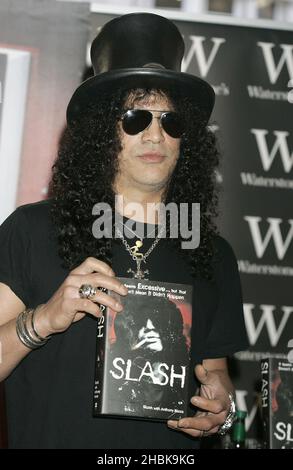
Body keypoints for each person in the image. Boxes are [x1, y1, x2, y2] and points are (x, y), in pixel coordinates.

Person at [0, 13, 248, 449]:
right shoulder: (34, 229)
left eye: (170, 121)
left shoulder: (213, 254)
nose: (154, 134)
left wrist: (221, 410)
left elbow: (216, 376)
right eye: (135, 117)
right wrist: (43, 319)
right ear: (102, 130)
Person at [108, 295, 190, 417]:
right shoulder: (115, 380)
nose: (150, 328)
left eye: (157, 321)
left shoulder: (183, 380)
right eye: (141, 322)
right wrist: (133, 352)